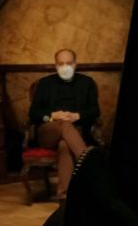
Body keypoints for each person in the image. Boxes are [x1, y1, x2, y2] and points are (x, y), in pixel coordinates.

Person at [28, 48, 100, 199]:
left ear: (75, 64)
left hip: (76, 132)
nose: (65, 67)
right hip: (48, 131)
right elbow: (33, 113)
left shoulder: (86, 82)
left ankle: (64, 197)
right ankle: (89, 166)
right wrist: (51, 116)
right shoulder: (44, 83)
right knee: (63, 124)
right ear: (55, 65)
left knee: (64, 146)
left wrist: (77, 116)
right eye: (61, 63)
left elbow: (95, 111)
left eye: (69, 63)